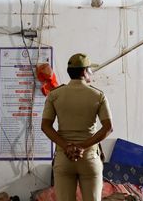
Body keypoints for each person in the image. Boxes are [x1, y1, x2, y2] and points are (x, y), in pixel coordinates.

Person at [41, 53, 113, 201]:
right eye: (89, 70)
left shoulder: (55, 95)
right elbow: (108, 128)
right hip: (89, 158)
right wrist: (82, 147)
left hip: (64, 157)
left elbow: (45, 126)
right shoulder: (98, 95)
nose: (90, 74)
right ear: (83, 72)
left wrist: (66, 146)